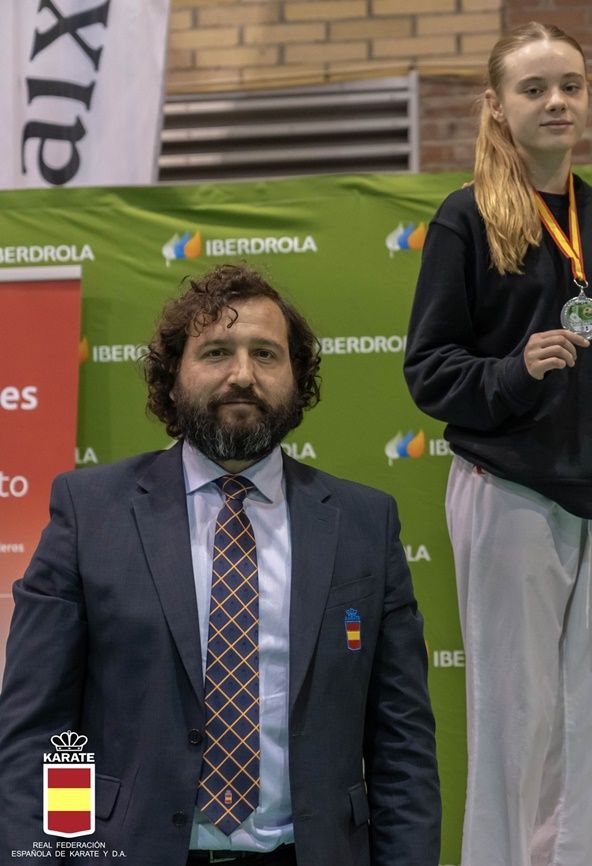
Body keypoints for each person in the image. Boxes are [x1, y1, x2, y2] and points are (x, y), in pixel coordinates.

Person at [0, 263, 441, 866]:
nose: (242, 375)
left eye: (266, 353)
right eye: (216, 352)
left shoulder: (365, 523)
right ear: (174, 375)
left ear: (298, 375)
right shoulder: (90, 514)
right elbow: (44, 731)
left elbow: (403, 744)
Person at [402, 22, 592, 866]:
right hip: (511, 488)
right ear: (496, 107)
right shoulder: (467, 217)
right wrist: (512, 372)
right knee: (516, 715)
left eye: (570, 85)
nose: (556, 102)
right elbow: (428, 371)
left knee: (589, 715)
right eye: (535, 88)